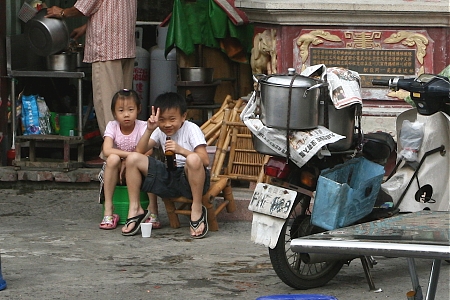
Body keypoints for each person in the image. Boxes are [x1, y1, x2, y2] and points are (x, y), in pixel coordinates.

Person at [121, 92, 210, 238]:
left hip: (191, 179)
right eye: (162, 120)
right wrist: (150, 129)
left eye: (172, 119)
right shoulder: (159, 130)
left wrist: (180, 150)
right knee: (132, 158)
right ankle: (136, 208)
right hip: (169, 176)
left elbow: (204, 160)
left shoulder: (191, 128)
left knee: (193, 159)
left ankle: (197, 207)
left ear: (183, 116)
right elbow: (140, 150)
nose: (167, 124)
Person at [45, 1, 137, 144]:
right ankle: (126, 148)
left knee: (109, 105)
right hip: (124, 45)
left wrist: (62, 12)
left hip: (106, 48)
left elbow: (86, 5)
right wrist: (86, 27)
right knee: (125, 105)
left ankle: (111, 153)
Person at [99, 89, 160, 230]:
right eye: (121, 110)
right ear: (114, 113)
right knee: (112, 159)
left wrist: (131, 160)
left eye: (130, 109)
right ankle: (109, 210)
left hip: (137, 168)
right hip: (117, 170)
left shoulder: (144, 126)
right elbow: (106, 150)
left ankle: (153, 210)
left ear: (138, 109)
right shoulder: (112, 126)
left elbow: (149, 151)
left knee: (150, 164)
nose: (126, 114)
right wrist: (127, 158)